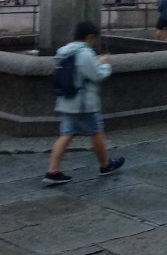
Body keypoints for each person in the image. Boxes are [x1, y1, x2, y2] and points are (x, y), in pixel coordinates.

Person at [42, 20, 124, 185]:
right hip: (83, 104)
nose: (95, 43)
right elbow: (96, 76)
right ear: (90, 37)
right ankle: (105, 165)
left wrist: (96, 62)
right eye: (95, 39)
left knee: (66, 134)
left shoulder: (64, 51)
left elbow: (79, 70)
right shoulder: (85, 53)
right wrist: (105, 65)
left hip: (67, 100)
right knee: (96, 131)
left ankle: (52, 171)